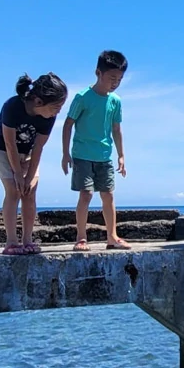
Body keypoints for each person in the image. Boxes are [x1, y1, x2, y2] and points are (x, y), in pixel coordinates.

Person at [0, 73, 68, 255]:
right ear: (39, 101)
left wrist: (30, 176)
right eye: (56, 107)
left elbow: (38, 147)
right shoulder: (12, 106)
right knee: (14, 190)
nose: (58, 112)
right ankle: (11, 241)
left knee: (29, 192)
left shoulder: (49, 117)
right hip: (2, 148)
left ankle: (27, 240)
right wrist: (17, 173)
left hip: (29, 151)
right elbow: (9, 143)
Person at [61, 50, 130, 252]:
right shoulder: (83, 97)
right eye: (112, 78)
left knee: (108, 195)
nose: (115, 83)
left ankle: (112, 237)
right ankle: (81, 238)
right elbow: (68, 124)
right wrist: (65, 153)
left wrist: (121, 155)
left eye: (119, 79)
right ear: (98, 73)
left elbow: (116, 129)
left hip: (104, 156)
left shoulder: (115, 101)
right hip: (82, 154)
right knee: (86, 194)